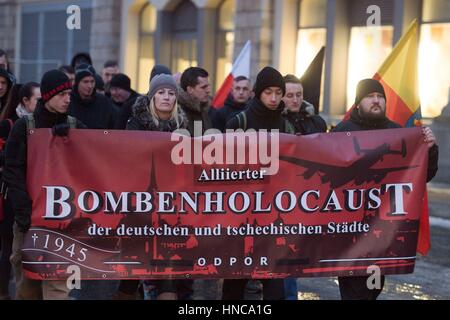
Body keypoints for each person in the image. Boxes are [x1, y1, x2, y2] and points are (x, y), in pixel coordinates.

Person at [332, 78, 439, 300]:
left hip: (382, 227)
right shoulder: (342, 131)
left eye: (380, 97)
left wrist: (430, 150)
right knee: (352, 286)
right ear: (358, 102)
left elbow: (420, 176)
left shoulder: (397, 132)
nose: (376, 101)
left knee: (373, 286)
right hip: (349, 227)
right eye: (370, 97)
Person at [3, 70, 86, 299]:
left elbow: (96, 157)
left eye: (70, 94)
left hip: (64, 221)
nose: (68, 99)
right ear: (48, 96)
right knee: (27, 287)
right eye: (62, 94)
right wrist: (24, 213)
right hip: (29, 219)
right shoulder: (24, 126)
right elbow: (12, 169)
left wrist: (71, 142)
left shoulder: (75, 126)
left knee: (58, 287)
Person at [113, 74, 188, 300]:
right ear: (152, 96)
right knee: (133, 273)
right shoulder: (135, 124)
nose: (166, 97)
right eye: (161, 92)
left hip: (170, 209)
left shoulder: (183, 126)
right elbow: (126, 160)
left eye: (171, 93)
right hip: (140, 209)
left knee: (168, 276)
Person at [223, 66, 293, 300]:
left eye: (278, 92)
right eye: (268, 92)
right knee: (235, 281)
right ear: (258, 93)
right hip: (240, 216)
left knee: (273, 281)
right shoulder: (239, 122)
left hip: (273, 216)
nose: (274, 98)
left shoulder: (286, 126)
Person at [68, 63, 118, 129]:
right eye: (85, 82)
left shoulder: (104, 102)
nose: (90, 86)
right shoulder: (68, 101)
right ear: (77, 83)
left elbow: (114, 128)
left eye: (92, 81)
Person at [178, 67, 213, 135]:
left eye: (208, 86)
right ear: (190, 89)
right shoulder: (177, 113)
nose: (208, 91)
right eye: (203, 87)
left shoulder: (205, 109)